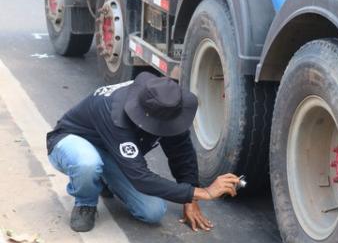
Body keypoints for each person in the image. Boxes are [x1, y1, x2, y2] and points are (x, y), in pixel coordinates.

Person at [46, 72, 240, 232]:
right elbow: (140, 177)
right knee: (87, 163)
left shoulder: (166, 103)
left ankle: (103, 178)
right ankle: (85, 204)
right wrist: (204, 192)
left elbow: (182, 153)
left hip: (112, 153)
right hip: (72, 141)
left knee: (152, 212)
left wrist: (190, 197)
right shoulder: (115, 113)